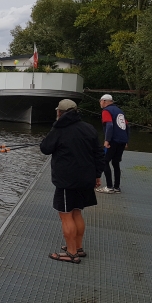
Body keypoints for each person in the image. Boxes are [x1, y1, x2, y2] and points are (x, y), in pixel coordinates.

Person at [40, 99, 104, 264]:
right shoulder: (88, 128)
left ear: (59, 113)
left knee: (66, 215)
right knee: (77, 212)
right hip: (86, 179)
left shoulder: (59, 129)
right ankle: (78, 247)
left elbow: (45, 148)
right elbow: (98, 153)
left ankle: (71, 253)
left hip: (68, 181)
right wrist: (97, 175)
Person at [96, 94, 129, 194]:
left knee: (105, 161)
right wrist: (126, 140)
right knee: (115, 163)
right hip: (122, 140)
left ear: (105, 101)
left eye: (100, 101)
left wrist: (107, 140)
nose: (100, 103)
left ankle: (109, 187)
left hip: (113, 140)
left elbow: (109, 125)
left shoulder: (106, 111)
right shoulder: (120, 111)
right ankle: (117, 187)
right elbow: (127, 126)